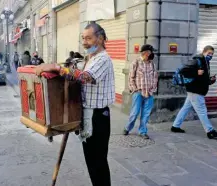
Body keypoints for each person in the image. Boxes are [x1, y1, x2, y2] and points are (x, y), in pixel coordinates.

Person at [35, 23, 115, 186]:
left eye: (89, 38)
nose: (84, 42)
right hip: (88, 115)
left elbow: (86, 77)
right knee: (92, 163)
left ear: (100, 39)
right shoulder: (90, 58)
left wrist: (58, 68)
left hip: (98, 117)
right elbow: (76, 77)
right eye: (83, 38)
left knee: (98, 163)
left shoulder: (103, 59)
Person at [171, 45, 217, 139]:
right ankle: (210, 131)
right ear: (204, 51)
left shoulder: (206, 62)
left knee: (185, 108)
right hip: (195, 90)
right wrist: (196, 73)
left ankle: (175, 126)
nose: (210, 55)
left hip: (195, 90)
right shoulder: (197, 60)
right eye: (209, 53)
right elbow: (183, 71)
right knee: (202, 111)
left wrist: (210, 80)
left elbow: (202, 77)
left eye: (212, 54)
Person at [123, 44, 158, 139]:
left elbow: (155, 78)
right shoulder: (136, 63)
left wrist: (152, 90)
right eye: (151, 52)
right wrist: (135, 90)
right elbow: (131, 78)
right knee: (134, 113)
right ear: (146, 53)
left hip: (149, 93)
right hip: (138, 93)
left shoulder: (152, 64)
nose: (152, 54)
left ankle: (142, 131)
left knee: (146, 114)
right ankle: (127, 128)